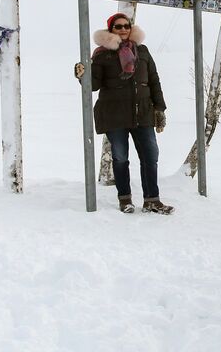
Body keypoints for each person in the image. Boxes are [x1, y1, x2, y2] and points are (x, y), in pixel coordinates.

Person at [74, 12, 173, 214]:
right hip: (115, 114)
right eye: (118, 26)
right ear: (111, 30)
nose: (123, 30)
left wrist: (160, 108)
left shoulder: (142, 51)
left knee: (150, 156)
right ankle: (125, 199)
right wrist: (82, 75)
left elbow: (154, 80)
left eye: (126, 25)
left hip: (143, 112)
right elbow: (94, 85)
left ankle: (152, 200)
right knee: (120, 158)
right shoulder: (102, 54)